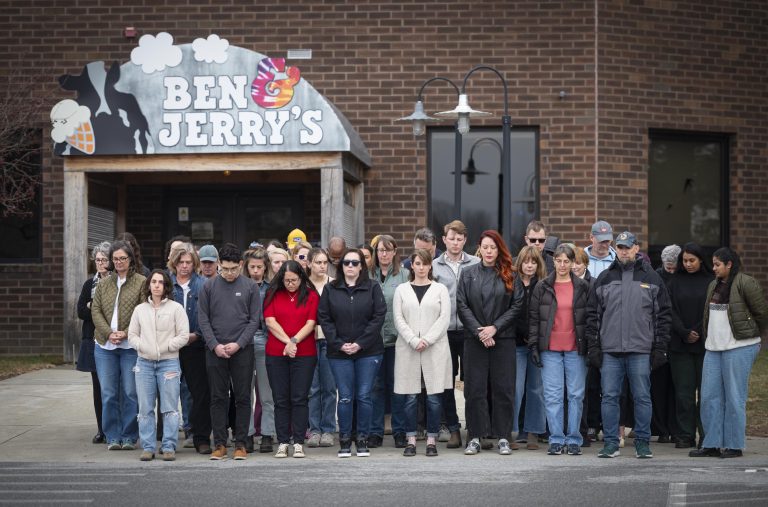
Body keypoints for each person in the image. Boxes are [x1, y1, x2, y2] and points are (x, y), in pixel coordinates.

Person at [586, 231, 671, 459]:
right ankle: (611, 443)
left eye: (628, 247)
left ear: (636, 249)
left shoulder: (652, 278)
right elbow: (592, 316)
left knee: (642, 397)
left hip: (641, 350)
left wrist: (660, 348)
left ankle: (642, 442)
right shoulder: (604, 278)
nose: (623, 251)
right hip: (610, 350)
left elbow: (663, 316)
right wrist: (593, 348)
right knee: (610, 397)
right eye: (620, 247)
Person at [690, 247, 768, 459]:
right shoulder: (713, 285)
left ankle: (734, 445)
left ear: (729, 264)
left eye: (717, 264)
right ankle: (712, 443)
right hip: (714, 348)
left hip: (740, 346)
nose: (713, 268)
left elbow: (761, 312)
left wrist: (751, 335)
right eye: (713, 264)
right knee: (708, 397)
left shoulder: (745, 282)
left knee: (735, 397)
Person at [457, 230, 522, 456]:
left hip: (502, 340)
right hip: (475, 341)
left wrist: (494, 328)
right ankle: (474, 436)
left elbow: (516, 306)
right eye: (485, 247)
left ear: (499, 249)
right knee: (475, 390)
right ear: (479, 249)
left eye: (493, 247)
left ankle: (503, 436)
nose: (488, 251)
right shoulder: (467, 274)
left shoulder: (510, 274)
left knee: (503, 389)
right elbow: (462, 305)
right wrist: (480, 332)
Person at [318, 248, 387, 458]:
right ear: (341, 266)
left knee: (364, 396)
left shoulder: (373, 287)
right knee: (346, 397)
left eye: (355, 263)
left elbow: (379, 317)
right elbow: (324, 318)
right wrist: (339, 344)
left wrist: (360, 343)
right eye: (346, 262)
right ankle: (346, 440)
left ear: (361, 266)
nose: (350, 266)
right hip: (339, 353)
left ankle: (363, 439)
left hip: (368, 351)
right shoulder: (330, 289)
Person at [198, 243, 261, 460]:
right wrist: (214, 344)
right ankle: (220, 444)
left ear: (241, 265)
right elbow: (203, 319)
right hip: (215, 350)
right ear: (218, 265)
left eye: (233, 268)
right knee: (217, 397)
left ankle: (241, 443)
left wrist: (239, 343)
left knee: (243, 397)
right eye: (224, 268)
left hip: (242, 350)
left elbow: (254, 320)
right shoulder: (208, 286)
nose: (229, 273)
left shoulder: (251, 287)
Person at [528, 244, 590, 456]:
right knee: (553, 395)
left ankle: (573, 439)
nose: (562, 265)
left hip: (576, 348)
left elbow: (590, 319)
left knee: (575, 395)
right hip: (550, 348)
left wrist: (591, 346)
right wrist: (534, 346)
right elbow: (535, 319)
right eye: (559, 261)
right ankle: (556, 439)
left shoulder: (583, 287)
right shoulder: (542, 286)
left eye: (567, 261)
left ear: (573, 263)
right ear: (553, 261)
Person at [393, 249, 452, 457]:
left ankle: (431, 440)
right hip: (408, 348)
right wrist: (413, 339)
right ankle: (410, 440)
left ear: (430, 266)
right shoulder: (402, 289)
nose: (420, 267)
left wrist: (426, 339)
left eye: (424, 264)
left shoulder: (440, 289)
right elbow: (398, 318)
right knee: (410, 397)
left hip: (434, 348)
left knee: (434, 398)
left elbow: (444, 318)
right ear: (412, 266)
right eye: (417, 264)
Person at [128, 269, 190, 461]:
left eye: (160, 282)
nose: (156, 285)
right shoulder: (139, 310)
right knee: (145, 407)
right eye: (153, 282)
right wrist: (144, 348)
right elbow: (132, 336)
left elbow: (183, 335)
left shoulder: (176, 308)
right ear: (148, 285)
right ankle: (148, 447)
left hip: (168, 363)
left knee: (170, 407)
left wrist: (166, 347)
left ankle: (169, 446)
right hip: (144, 364)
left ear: (165, 286)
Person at [91, 240, 146, 451]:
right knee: (108, 393)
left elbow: (142, 309)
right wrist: (109, 333)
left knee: (131, 392)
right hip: (105, 346)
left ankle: (129, 436)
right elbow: (95, 311)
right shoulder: (104, 283)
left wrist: (125, 332)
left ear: (130, 259)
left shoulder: (141, 281)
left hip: (130, 346)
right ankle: (112, 436)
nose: (119, 262)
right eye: (115, 259)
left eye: (123, 258)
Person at [263, 261, 320, 458]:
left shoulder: (311, 295)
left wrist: (294, 341)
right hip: (276, 352)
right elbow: (270, 321)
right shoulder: (272, 294)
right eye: (287, 280)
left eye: (294, 280)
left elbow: (311, 323)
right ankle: (283, 441)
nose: (290, 284)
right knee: (280, 399)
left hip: (304, 353)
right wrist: (288, 342)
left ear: (301, 277)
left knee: (299, 398)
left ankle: (297, 441)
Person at [432, 220, 480, 449]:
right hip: (444, 333)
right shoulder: (434, 266)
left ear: (465, 241)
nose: (455, 243)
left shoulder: (476, 263)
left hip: (471, 332)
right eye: (451, 238)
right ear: (444, 240)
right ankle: (453, 429)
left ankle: (473, 428)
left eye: (459, 239)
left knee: (472, 382)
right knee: (446, 384)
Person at [666, 243, 713, 449]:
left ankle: (706, 434)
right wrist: (684, 332)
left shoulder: (711, 281)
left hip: (706, 344)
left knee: (706, 393)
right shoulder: (674, 282)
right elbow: (668, 309)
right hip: (680, 344)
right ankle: (685, 434)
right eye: (684, 261)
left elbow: (713, 308)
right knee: (684, 393)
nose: (688, 264)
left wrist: (698, 331)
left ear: (701, 260)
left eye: (692, 260)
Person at [168, 243, 211, 454]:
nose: (185, 266)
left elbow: (210, 315)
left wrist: (197, 335)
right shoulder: (166, 284)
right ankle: (168, 440)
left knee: (199, 393)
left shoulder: (203, 285)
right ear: (174, 263)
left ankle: (200, 437)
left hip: (196, 345)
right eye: (181, 262)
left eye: (189, 262)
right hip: (170, 347)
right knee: (169, 393)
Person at [370, 234, 410, 448]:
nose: (383, 254)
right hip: (373, 342)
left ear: (395, 252)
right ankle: (375, 432)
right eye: (380, 250)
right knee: (376, 387)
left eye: (387, 250)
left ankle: (399, 431)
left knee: (397, 387)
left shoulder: (404, 275)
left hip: (398, 341)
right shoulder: (367, 275)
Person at [510, 245, 547, 450]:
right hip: (515, 344)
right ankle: (513, 431)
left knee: (535, 389)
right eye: (526, 261)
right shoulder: (511, 284)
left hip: (537, 346)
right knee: (515, 388)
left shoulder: (542, 285)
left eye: (533, 262)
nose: (530, 265)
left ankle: (533, 431)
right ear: (520, 263)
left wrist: (536, 338)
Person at [76, 241, 111, 444]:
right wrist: (93, 308)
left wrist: (93, 306)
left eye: (104, 260)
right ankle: (102, 429)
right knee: (98, 387)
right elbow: (81, 311)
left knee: (114, 388)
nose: (100, 264)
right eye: (97, 260)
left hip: (112, 340)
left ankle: (116, 426)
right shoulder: (89, 284)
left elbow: (111, 311)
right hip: (92, 339)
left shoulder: (116, 282)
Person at [243, 248, 276, 453]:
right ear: (247, 268)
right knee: (245, 393)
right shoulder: (241, 287)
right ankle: (246, 434)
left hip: (266, 340)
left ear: (265, 268)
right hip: (244, 342)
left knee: (266, 393)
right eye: (252, 267)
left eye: (259, 267)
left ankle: (267, 434)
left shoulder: (271, 288)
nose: (256, 271)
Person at [306, 248, 337, 448]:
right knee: (312, 388)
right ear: (309, 263)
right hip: (307, 340)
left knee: (329, 387)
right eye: (317, 262)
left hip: (328, 341)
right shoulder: (304, 285)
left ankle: (328, 430)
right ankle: (314, 430)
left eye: (324, 262)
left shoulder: (333, 284)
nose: (322, 266)